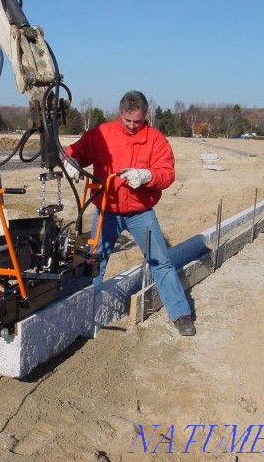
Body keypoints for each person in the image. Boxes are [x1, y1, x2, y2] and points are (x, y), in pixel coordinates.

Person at [64, 90, 196, 336]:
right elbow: (75, 151)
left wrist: (147, 175)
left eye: (138, 121)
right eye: (128, 121)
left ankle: (181, 314)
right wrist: (70, 163)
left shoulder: (155, 139)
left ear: (146, 114)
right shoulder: (102, 134)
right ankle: (82, 316)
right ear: (120, 113)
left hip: (140, 213)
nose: (133, 126)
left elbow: (167, 172)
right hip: (107, 212)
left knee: (161, 262)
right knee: (94, 264)